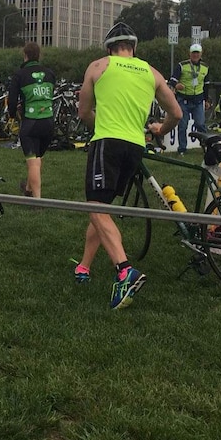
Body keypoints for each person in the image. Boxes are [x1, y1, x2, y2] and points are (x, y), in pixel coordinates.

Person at [75, 23, 181, 309]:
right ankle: (83, 267)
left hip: (107, 142)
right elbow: (177, 113)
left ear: (110, 48)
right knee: (103, 209)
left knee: (96, 207)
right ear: (133, 48)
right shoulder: (152, 72)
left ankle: (124, 270)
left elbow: (83, 111)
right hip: (136, 146)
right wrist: (160, 129)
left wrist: (99, 125)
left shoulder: (99, 65)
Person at [9, 42, 56, 198]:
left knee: (33, 161)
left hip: (31, 122)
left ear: (25, 55)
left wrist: (11, 116)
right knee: (37, 158)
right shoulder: (50, 73)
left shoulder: (20, 75)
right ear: (39, 55)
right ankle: (28, 189)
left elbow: (12, 101)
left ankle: (37, 200)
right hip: (48, 123)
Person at [168, 43, 209, 155]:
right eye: (193, 53)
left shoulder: (205, 67)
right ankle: (182, 149)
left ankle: (207, 145)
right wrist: (176, 86)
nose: (195, 55)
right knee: (183, 125)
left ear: (201, 54)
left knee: (200, 124)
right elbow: (172, 80)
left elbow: (206, 85)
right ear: (190, 54)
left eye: (197, 53)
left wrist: (207, 100)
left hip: (198, 101)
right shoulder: (182, 65)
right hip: (184, 100)